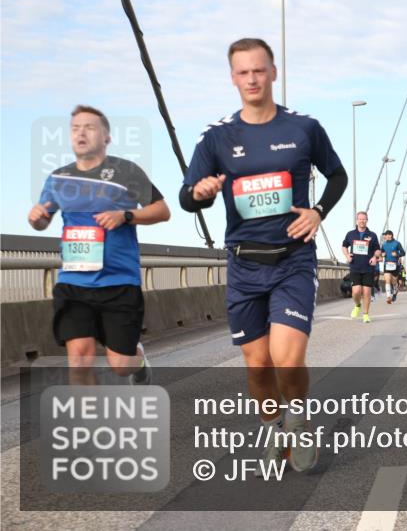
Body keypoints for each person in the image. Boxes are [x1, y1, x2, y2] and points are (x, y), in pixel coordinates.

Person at [180, 38, 348, 474]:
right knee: (258, 366)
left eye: (259, 70)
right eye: (243, 72)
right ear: (233, 78)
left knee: (287, 358)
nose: (252, 79)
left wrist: (318, 212)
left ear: (273, 72)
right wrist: (199, 194)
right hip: (243, 263)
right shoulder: (217, 137)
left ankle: (299, 421)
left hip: (293, 259)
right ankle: (274, 427)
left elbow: (337, 175)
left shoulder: (304, 128)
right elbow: (187, 196)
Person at [29, 105, 169, 387]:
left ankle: (138, 359)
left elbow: (162, 210)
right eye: (75, 128)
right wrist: (37, 219)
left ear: (106, 137)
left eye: (89, 127)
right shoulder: (58, 179)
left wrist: (127, 216)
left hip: (119, 282)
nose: (81, 133)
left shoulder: (127, 172)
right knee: (79, 359)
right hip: (74, 282)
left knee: (121, 366)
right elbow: (43, 221)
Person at [342, 212, 382, 323]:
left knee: (367, 292)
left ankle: (365, 315)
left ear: (367, 220)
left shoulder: (372, 235)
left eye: (364, 219)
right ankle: (358, 305)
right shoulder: (350, 234)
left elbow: (378, 250)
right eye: (360, 219)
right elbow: (344, 246)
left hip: (368, 267)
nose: (362, 221)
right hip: (355, 266)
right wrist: (346, 255)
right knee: (356, 291)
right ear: (356, 220)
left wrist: (375, 257)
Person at [380, 230, 406, 304]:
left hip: (395, 265)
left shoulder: (397, 243)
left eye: (387, 235)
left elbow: (403, 252)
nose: (385, 236)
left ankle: (394, 293)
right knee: (387, 280)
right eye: (385, 235)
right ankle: (388, 296)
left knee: (394, 282)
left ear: (391, 235)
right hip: (386, 265)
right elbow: (381, 253)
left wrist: (397, 254)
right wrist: (382, 254)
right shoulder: (384, 244)